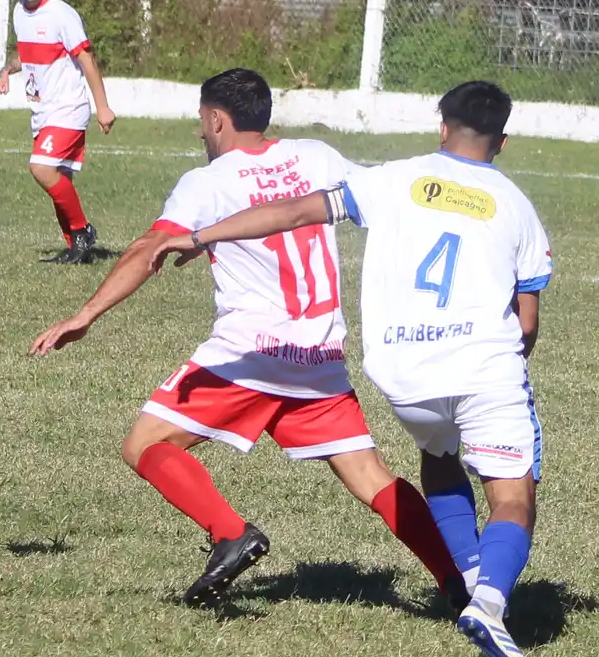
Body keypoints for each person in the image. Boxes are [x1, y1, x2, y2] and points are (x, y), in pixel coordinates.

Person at [148, 81, 553, 657]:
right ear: (504, 140)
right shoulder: (517, 204)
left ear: (442, 126)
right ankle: (488, 602)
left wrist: (201, 236)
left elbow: (291, 211)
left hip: (403, 376)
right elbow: (527, 323)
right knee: (513, 497)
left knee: (438, 457)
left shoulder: (393, 178)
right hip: (477, 366)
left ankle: (463, 577)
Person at [29, 68, 466, 609]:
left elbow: (148, 250)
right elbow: (388, 201)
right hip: (319, 353)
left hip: (250, 353)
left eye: (200, 122)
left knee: (144, 444)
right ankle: (455, 582)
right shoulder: (317, 157)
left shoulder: (207, 183)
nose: (199, 134)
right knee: (370, 475)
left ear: (216, 119)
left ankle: (230, 533)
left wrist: (86, 315)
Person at [0, 0, 117, 264]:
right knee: (60, 177)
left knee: (41, 168)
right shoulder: (19, 12)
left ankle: (83, 230)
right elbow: (28, 54)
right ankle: (77, 249)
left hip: (68, 109)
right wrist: (7, 71)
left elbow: (87, 59)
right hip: (43, 111)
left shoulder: (62, 14)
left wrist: (102, 107)